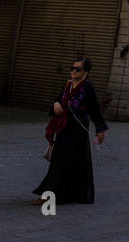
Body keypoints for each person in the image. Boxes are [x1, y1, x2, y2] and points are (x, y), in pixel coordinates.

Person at [33, 57, 107, 206]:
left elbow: (95, 110)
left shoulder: (87, 88)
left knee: (71, 162)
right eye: (72, 68)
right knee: (58, 161)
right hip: (63, 128)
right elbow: (57, 101)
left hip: (77, 131)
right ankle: (55, 194)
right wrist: (55, 106)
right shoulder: (68, 85)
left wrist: (100, 129)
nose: (73, 71)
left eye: (77, 69)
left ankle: (56, 195)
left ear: (85, 71)